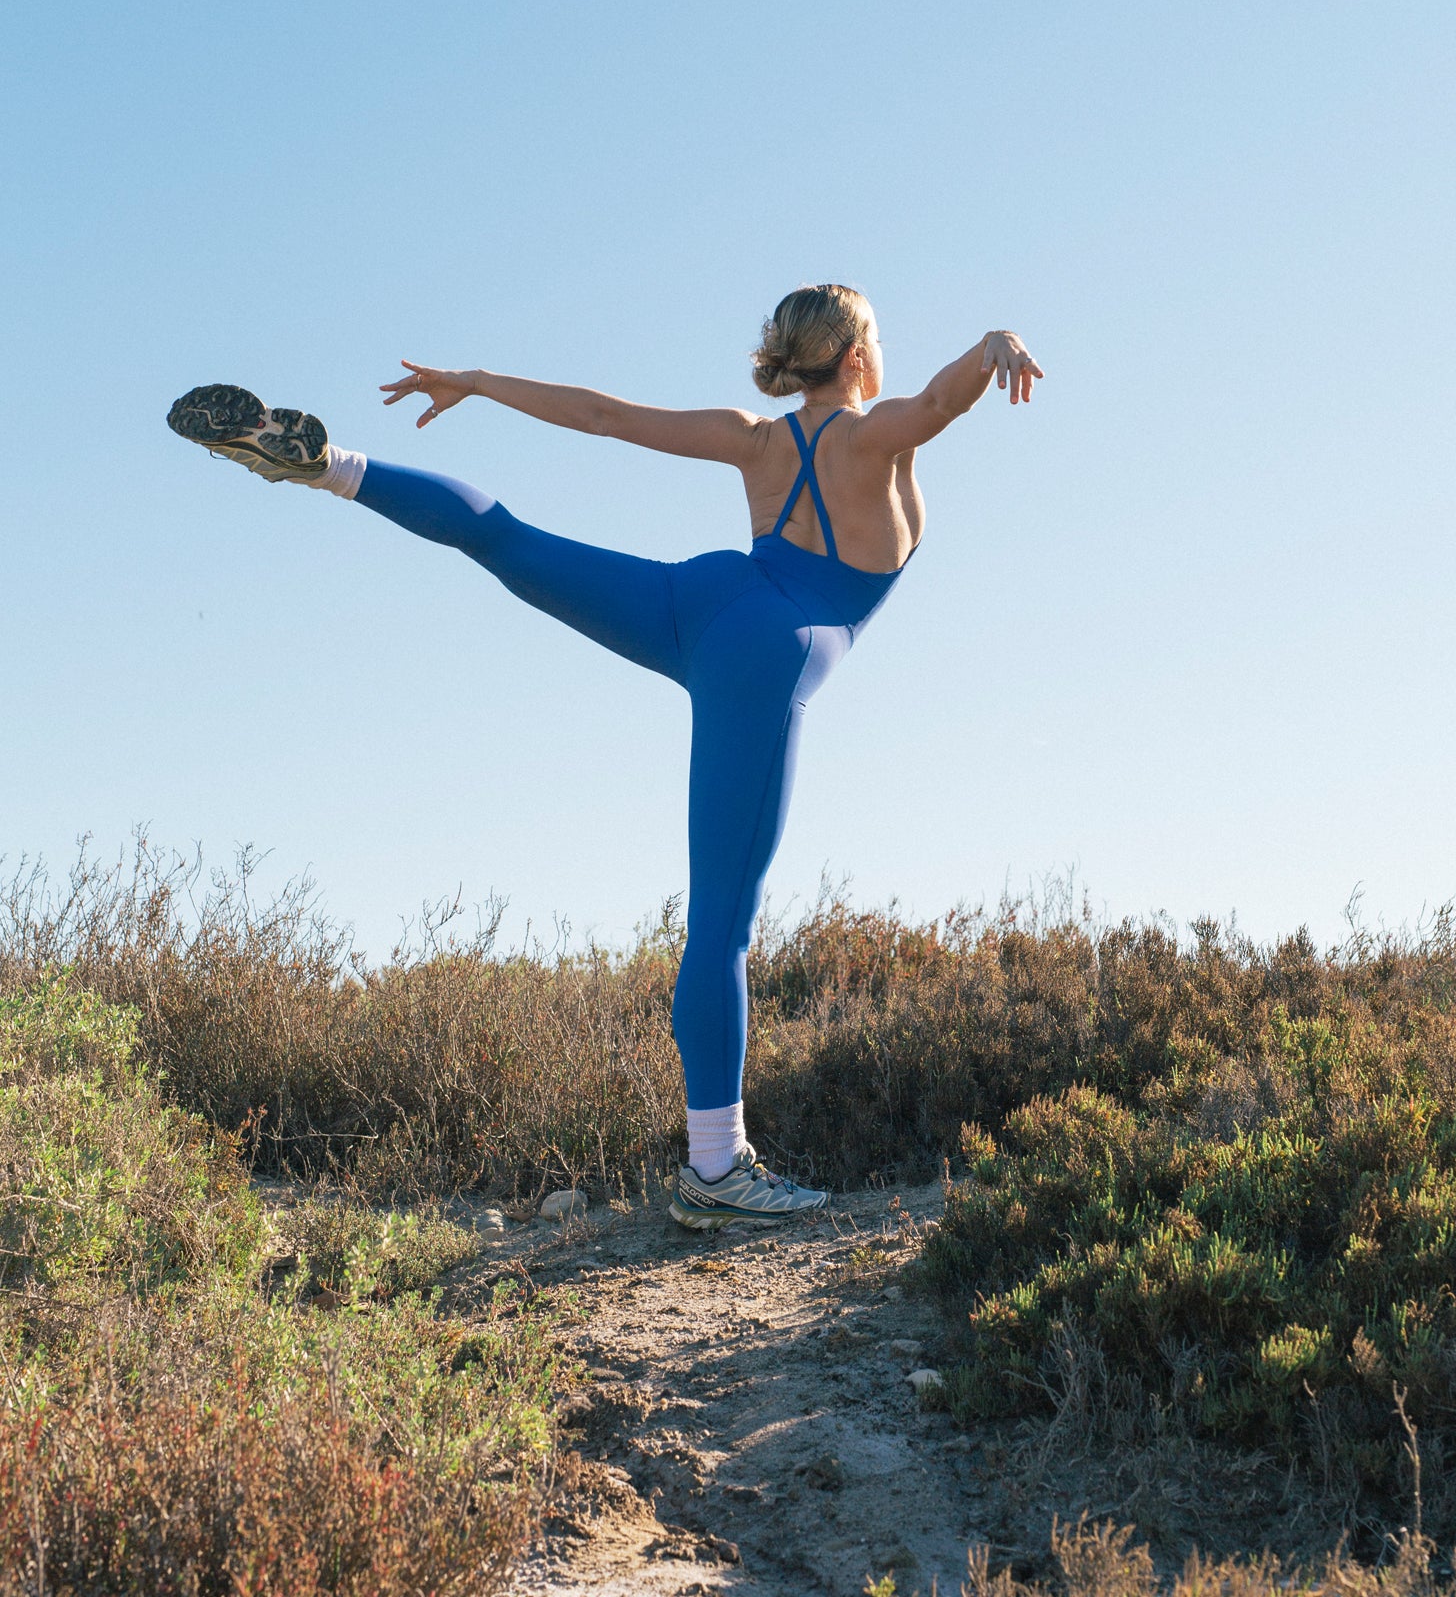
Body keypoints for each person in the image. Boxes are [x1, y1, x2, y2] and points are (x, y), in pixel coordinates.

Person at [167, 285, 1044, 1228]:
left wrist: (479, 381)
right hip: (767, 651)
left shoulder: (755, 438)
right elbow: (942, 402)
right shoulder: (876, 441)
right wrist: (991, 343)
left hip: (699, 599)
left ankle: (331, 465)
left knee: (505, 541)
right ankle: (716, 1168)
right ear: (860, 356)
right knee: (721, 922)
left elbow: (605, 417)